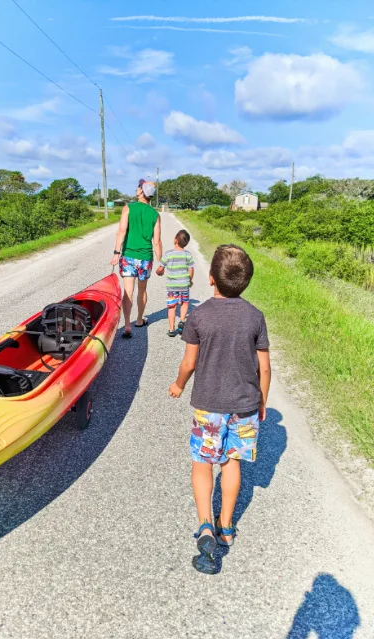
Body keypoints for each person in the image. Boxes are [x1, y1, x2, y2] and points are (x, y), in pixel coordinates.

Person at [169, 244, 271, 574]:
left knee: (202, 463)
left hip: (208, 406)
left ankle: (205, 527)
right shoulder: (255, 317)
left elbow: (189, 362)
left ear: (211, 279)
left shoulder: (199, 316)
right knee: (231, 463)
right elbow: (264, 369)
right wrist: (262, 402)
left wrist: (179, 384)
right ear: (247, 282)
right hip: (244, 405)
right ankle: (226, 525)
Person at [111, 179, 162, 339]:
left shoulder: (128, 208)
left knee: (128, 291)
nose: (136, 189)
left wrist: (116, 252)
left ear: (141, 191)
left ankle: (127, 325)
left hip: (128, 256)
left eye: (139, 187)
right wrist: (162, 262)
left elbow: (121, 231)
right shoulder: (155, 214)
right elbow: (157, 242)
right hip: (145, 258)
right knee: (142, 290)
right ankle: (139, 320)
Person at [156, 229, 195, 337]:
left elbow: (160, 269)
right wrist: (190, 280)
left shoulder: (168, 254)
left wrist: (159, 272)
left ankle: (172, 330)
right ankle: (182, 320)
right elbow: (191, 269)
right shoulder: (188, 255)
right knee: (185, 303)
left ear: (175, 240)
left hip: (172, 286)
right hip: (184, 284)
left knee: (172, 307)